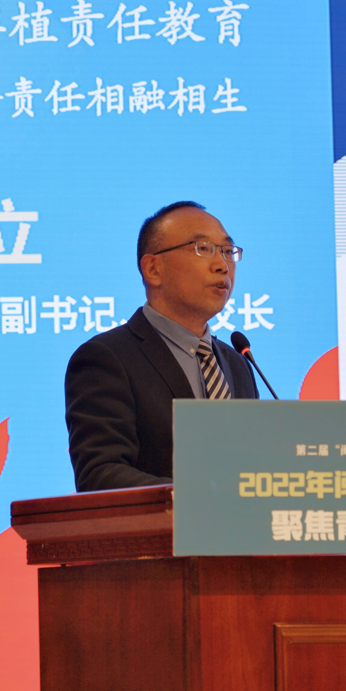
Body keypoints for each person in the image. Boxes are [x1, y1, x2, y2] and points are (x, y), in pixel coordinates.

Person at [65, 201, 259, 491]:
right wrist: (203, 498)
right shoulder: (106, 359)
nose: (222, 265)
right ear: (153, 269)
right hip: (162, 522)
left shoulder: (238, 363)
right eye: (203, 248)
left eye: (227, 251)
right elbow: (100, 475)